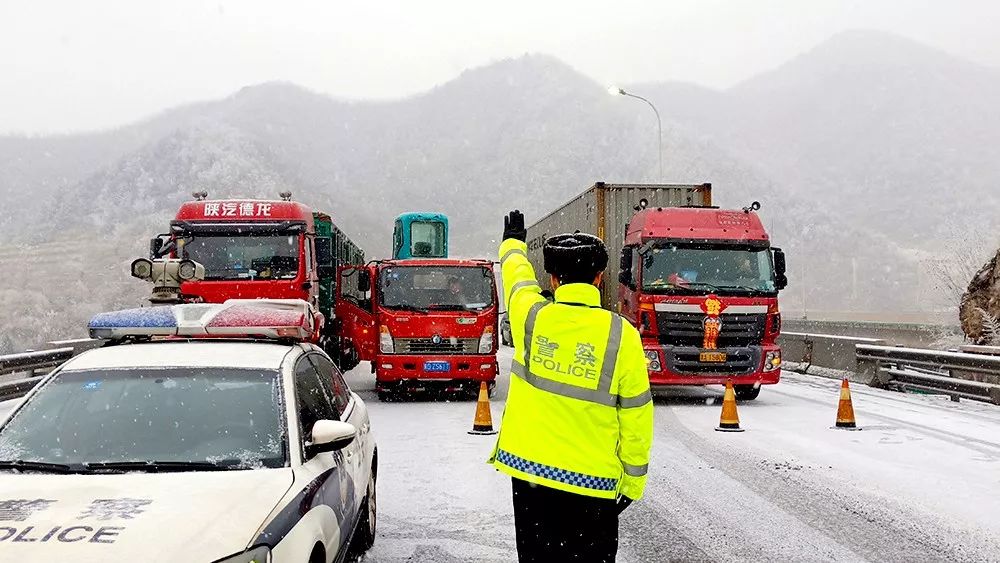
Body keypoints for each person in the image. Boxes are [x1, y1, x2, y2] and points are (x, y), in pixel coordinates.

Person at [489, 210, 653, 563]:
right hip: (593, 486)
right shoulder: (620, 334)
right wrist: (633, 483)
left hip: (532, 476)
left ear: (552, 278)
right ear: (599, 277)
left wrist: (513, 242)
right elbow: (637, 416)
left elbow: (516, 277)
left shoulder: (531, 317)